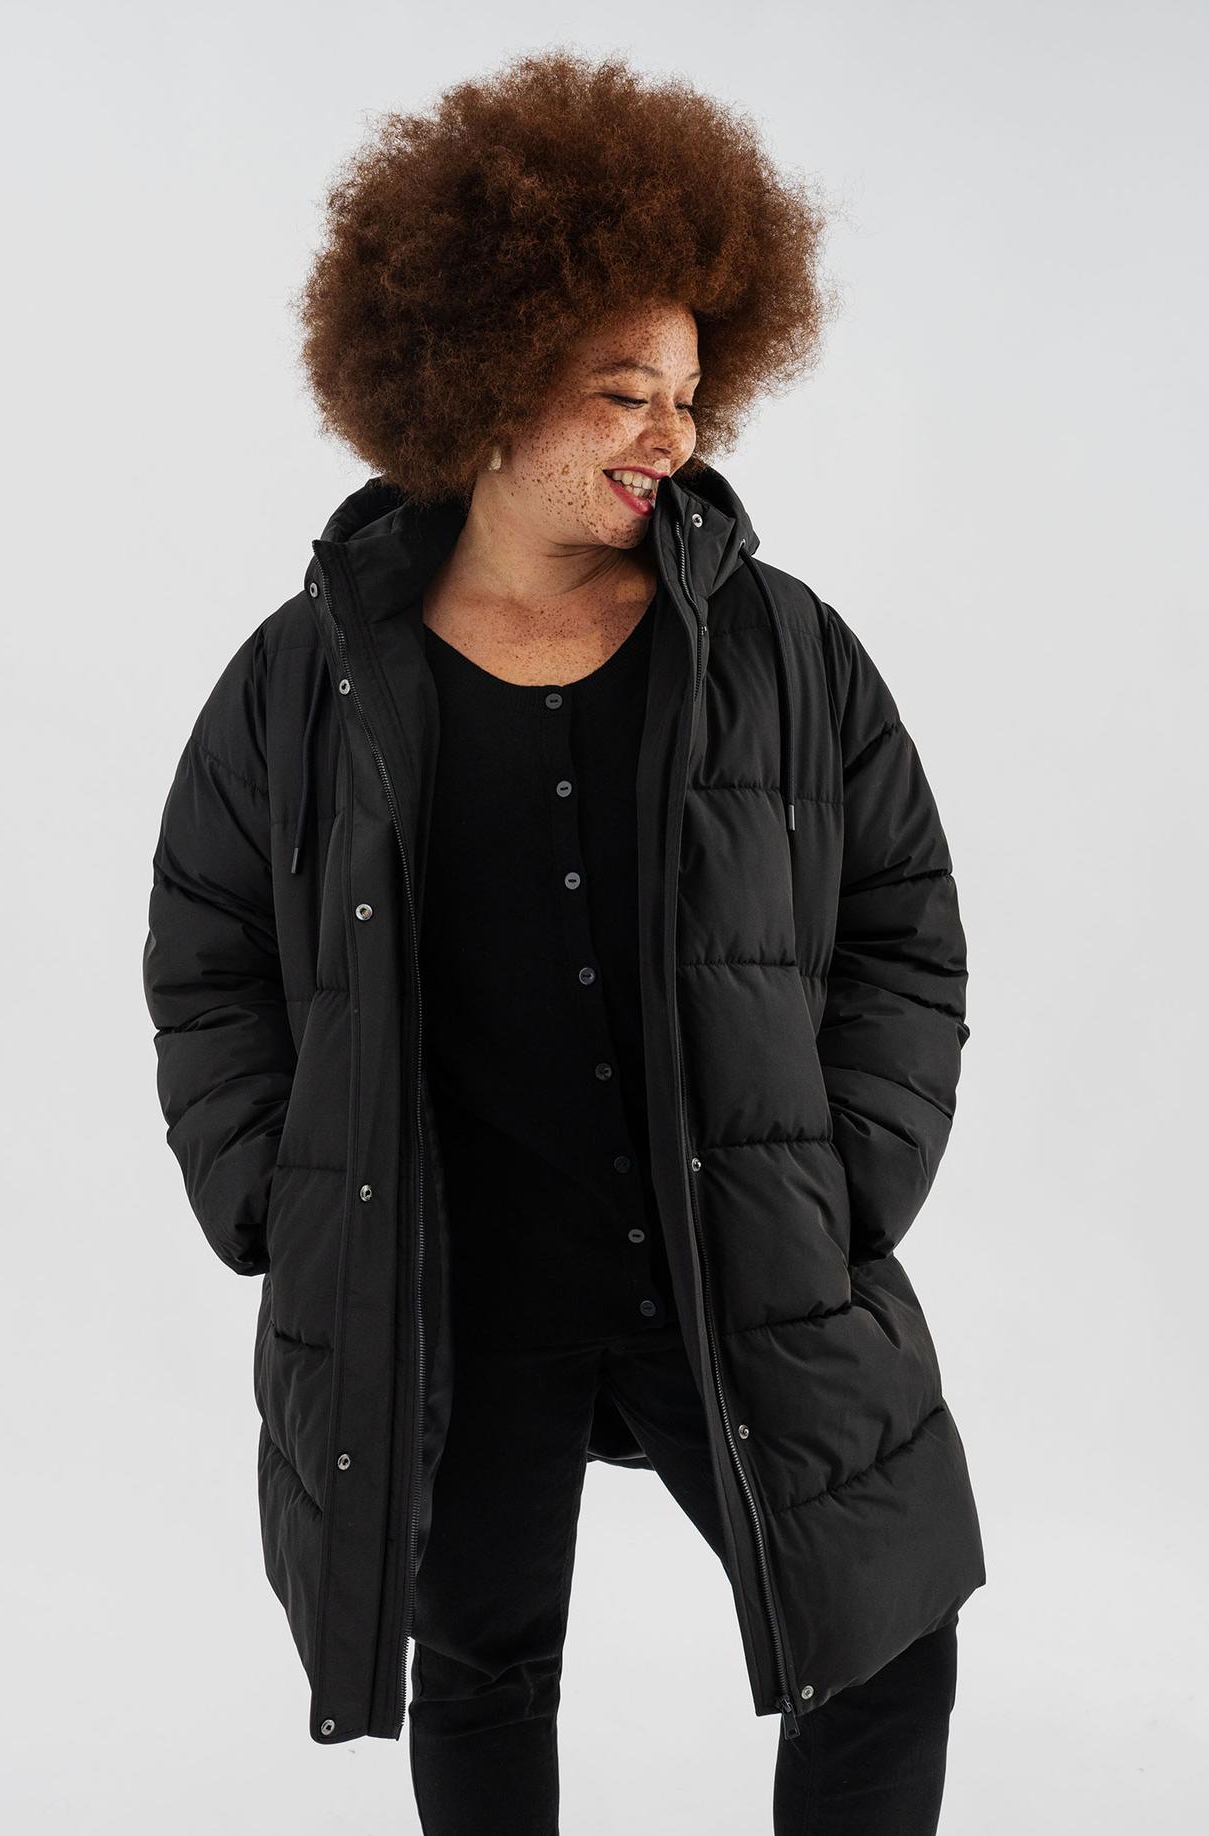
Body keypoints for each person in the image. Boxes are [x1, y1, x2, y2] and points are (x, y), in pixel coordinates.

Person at [143, 48, 984, 1836]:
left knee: (884, 1635)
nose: (670, 436)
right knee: (478, 1665)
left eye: (685, 394)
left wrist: (847, 1179)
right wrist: (275, 1190)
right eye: (620, 393)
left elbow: (904, 921)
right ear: (483, 378)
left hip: (735, 1258)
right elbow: (205, 950)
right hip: (451, 1280)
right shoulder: (307, 679)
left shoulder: (776, 649)